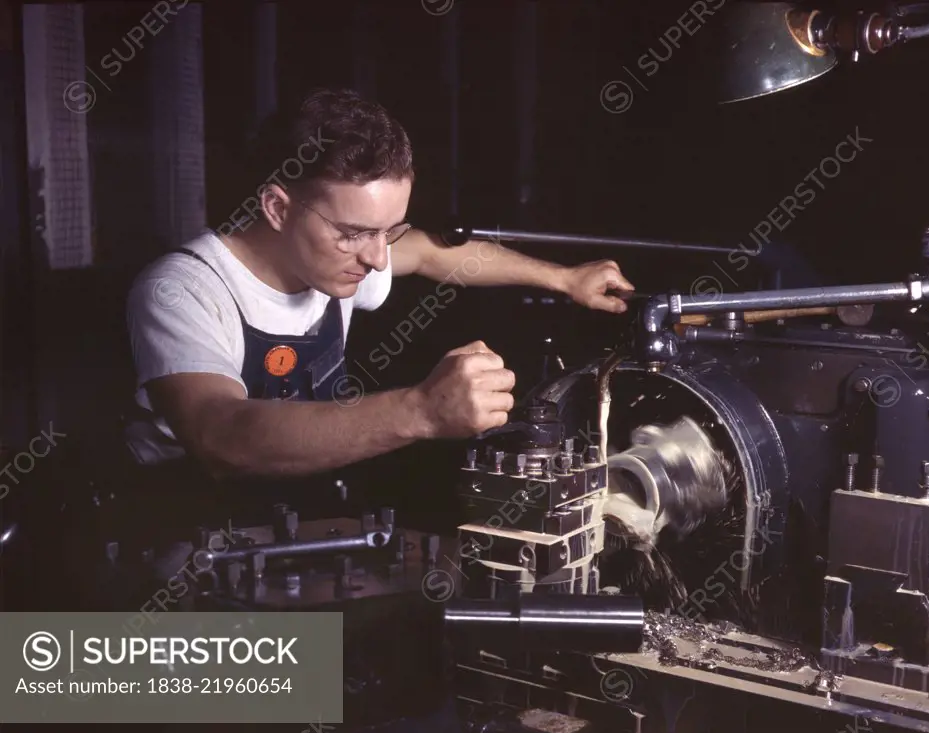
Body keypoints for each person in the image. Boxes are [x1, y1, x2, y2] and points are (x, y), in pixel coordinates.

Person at [124, 86, 634, 495]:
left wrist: (565, 279)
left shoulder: (338, 264)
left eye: (388, 231)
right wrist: (421, 411)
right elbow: (221, 439)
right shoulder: (182, 289)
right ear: (277, 208)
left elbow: (436, 252)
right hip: (182, 531)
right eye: (352, 233)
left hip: (304, 514)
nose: (376, 257)